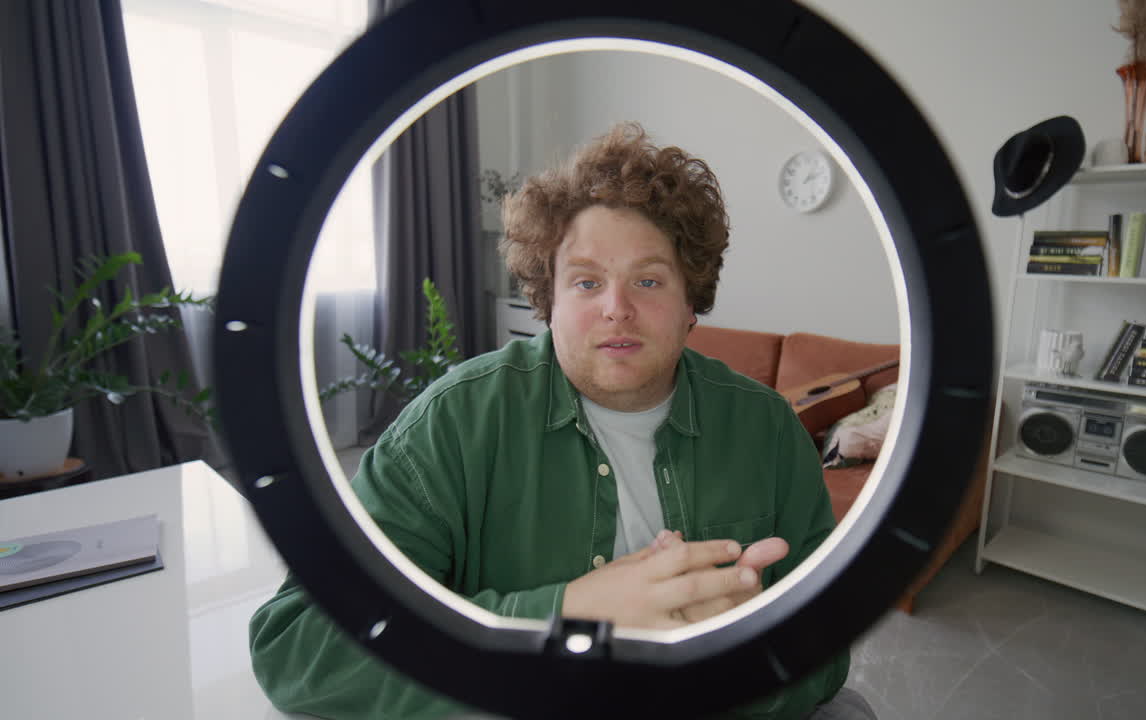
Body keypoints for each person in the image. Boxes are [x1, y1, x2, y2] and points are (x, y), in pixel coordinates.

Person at [249, 122, 866, 718]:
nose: (617, 309)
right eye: (586, 281)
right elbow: (299, 643)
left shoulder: (770, 432)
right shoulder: (450, 428)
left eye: (648, 280)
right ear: (548, 300)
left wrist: (730, 670)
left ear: (690, 303)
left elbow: (826, 650)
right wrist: (564, 618)